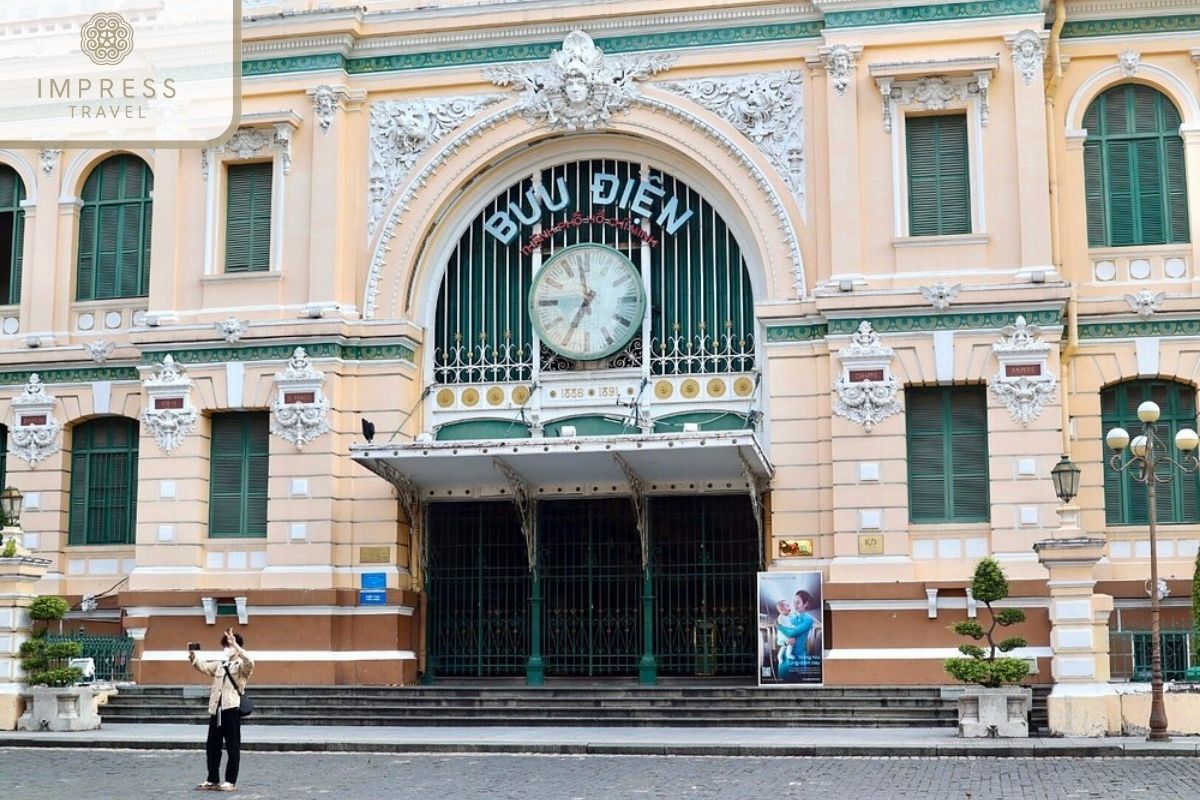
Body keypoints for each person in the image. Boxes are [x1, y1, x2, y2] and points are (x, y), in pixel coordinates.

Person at [190, 627, 254, 792]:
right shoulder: (221, 664)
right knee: (212, 746)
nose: (226, 647)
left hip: (231, 709)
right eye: (225, 644)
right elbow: (204, 667)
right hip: (216, 709)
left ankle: (230, 781)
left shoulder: (241, 666)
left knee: (233, 747)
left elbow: (250, 663)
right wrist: (193, 656)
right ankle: (212, 779)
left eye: (229, 644)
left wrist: (237, 647)